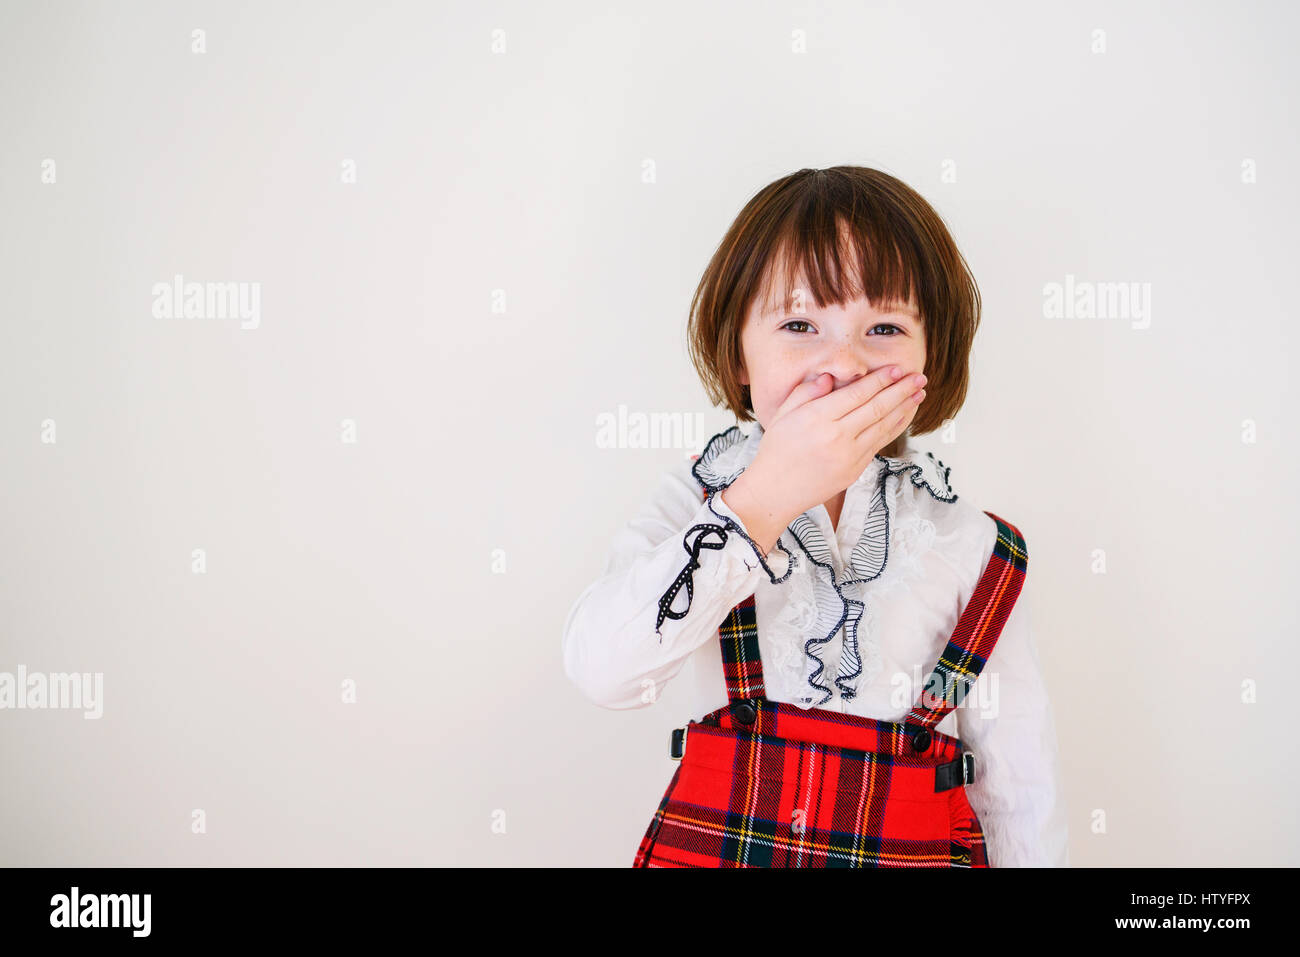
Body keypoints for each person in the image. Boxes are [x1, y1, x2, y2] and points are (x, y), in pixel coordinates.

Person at [561, 166, 1068, 867]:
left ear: (933, 356)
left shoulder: (969, 544)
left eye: (884, 327)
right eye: (799, 324)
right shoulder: (697, 502)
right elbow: (605, 672)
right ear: (739, 351)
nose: (842, 363)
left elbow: (1019, 789)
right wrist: (760, 500)